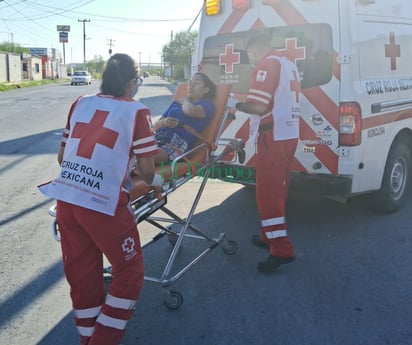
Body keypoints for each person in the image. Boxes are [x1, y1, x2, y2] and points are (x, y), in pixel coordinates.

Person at [38, 53, 160, 345]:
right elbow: (146, 169)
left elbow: (61, 157)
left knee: (83, 276)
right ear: (132, 82)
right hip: (103, 205)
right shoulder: (137, 112)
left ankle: (88, 338)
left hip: (67, 200)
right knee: (129, 273)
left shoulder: (81, 103)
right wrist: (154, 181)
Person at [229, 34, 301, 273]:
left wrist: (233, 104)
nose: (249, 58)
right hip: (288, 133)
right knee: (278, 188)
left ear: (255, 49)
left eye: (249, 53)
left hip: (273, 137)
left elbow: (258, 107)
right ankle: (268, 235)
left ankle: (281, 249)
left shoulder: (266, 65)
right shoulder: (288, 63)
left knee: (268, 192)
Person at [151, 72, 216, 164]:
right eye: (190, 83)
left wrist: (185, 100)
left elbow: (189, 111)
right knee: (130, 150)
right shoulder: (177, 103)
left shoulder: (207, 105)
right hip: (158, 137)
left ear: (206, 90)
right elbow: (154, 126)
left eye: (196, 83)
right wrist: (164, 122)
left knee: (145, 158)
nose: (191, 86)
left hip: (176, 144)